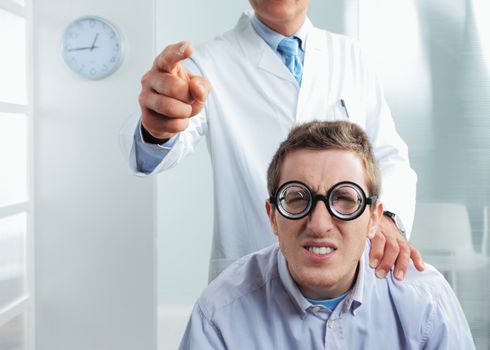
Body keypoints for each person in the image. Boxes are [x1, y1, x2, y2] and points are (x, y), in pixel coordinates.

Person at [119, 0, 423, 280]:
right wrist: (157, 129)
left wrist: (388, 218)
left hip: (347, 276)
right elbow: (154, 148)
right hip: (252, 282)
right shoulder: (205, 64)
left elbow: (389, 157)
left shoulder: (352, 57)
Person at [178, 120, 475, 349]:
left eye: (344, 198)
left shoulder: (426, 302)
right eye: (297, 198)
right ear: (273, 217)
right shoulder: (219, 313)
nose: (319, 225)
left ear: (374, 218)